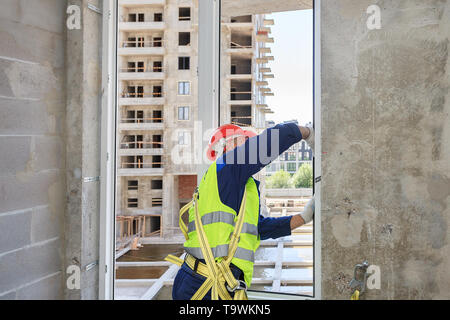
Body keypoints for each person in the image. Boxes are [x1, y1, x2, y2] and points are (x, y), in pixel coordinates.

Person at [166, 122, 315, 300]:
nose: (247, 146)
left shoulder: (231, 183)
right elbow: (269, 142)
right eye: (244, 141)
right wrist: (307, 133)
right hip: (207, 284)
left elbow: (258, 228)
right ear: (227, 145)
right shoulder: (227, 166)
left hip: (207, 281)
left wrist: (304, 217)